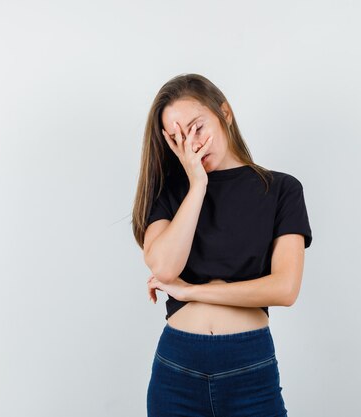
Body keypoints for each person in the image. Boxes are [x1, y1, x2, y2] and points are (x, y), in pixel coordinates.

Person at [131, 73, 313, 417]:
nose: (192, 145)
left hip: (249, 369)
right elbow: (165, 268)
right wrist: (197, 184)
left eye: (198, 128)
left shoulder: (282, 190)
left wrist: (191, 292)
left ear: (224, 113)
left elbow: (285, 289)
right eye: (177, 138)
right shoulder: (170, 194)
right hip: (177, 370)